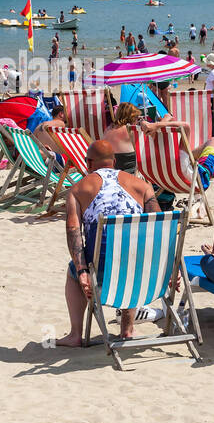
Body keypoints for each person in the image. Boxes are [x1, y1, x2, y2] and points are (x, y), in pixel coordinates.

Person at [57, 140, 160, 348]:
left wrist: (82, 270)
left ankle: (76, 334)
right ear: (114, 161)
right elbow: (159, 227)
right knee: (131, 254)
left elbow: (73, 231)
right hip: (143, 273)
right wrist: (166, 269)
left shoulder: (78, 190)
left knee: (72, 273)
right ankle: (127, 329)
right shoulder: (142, 186)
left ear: (88, 163)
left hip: (103, 273)